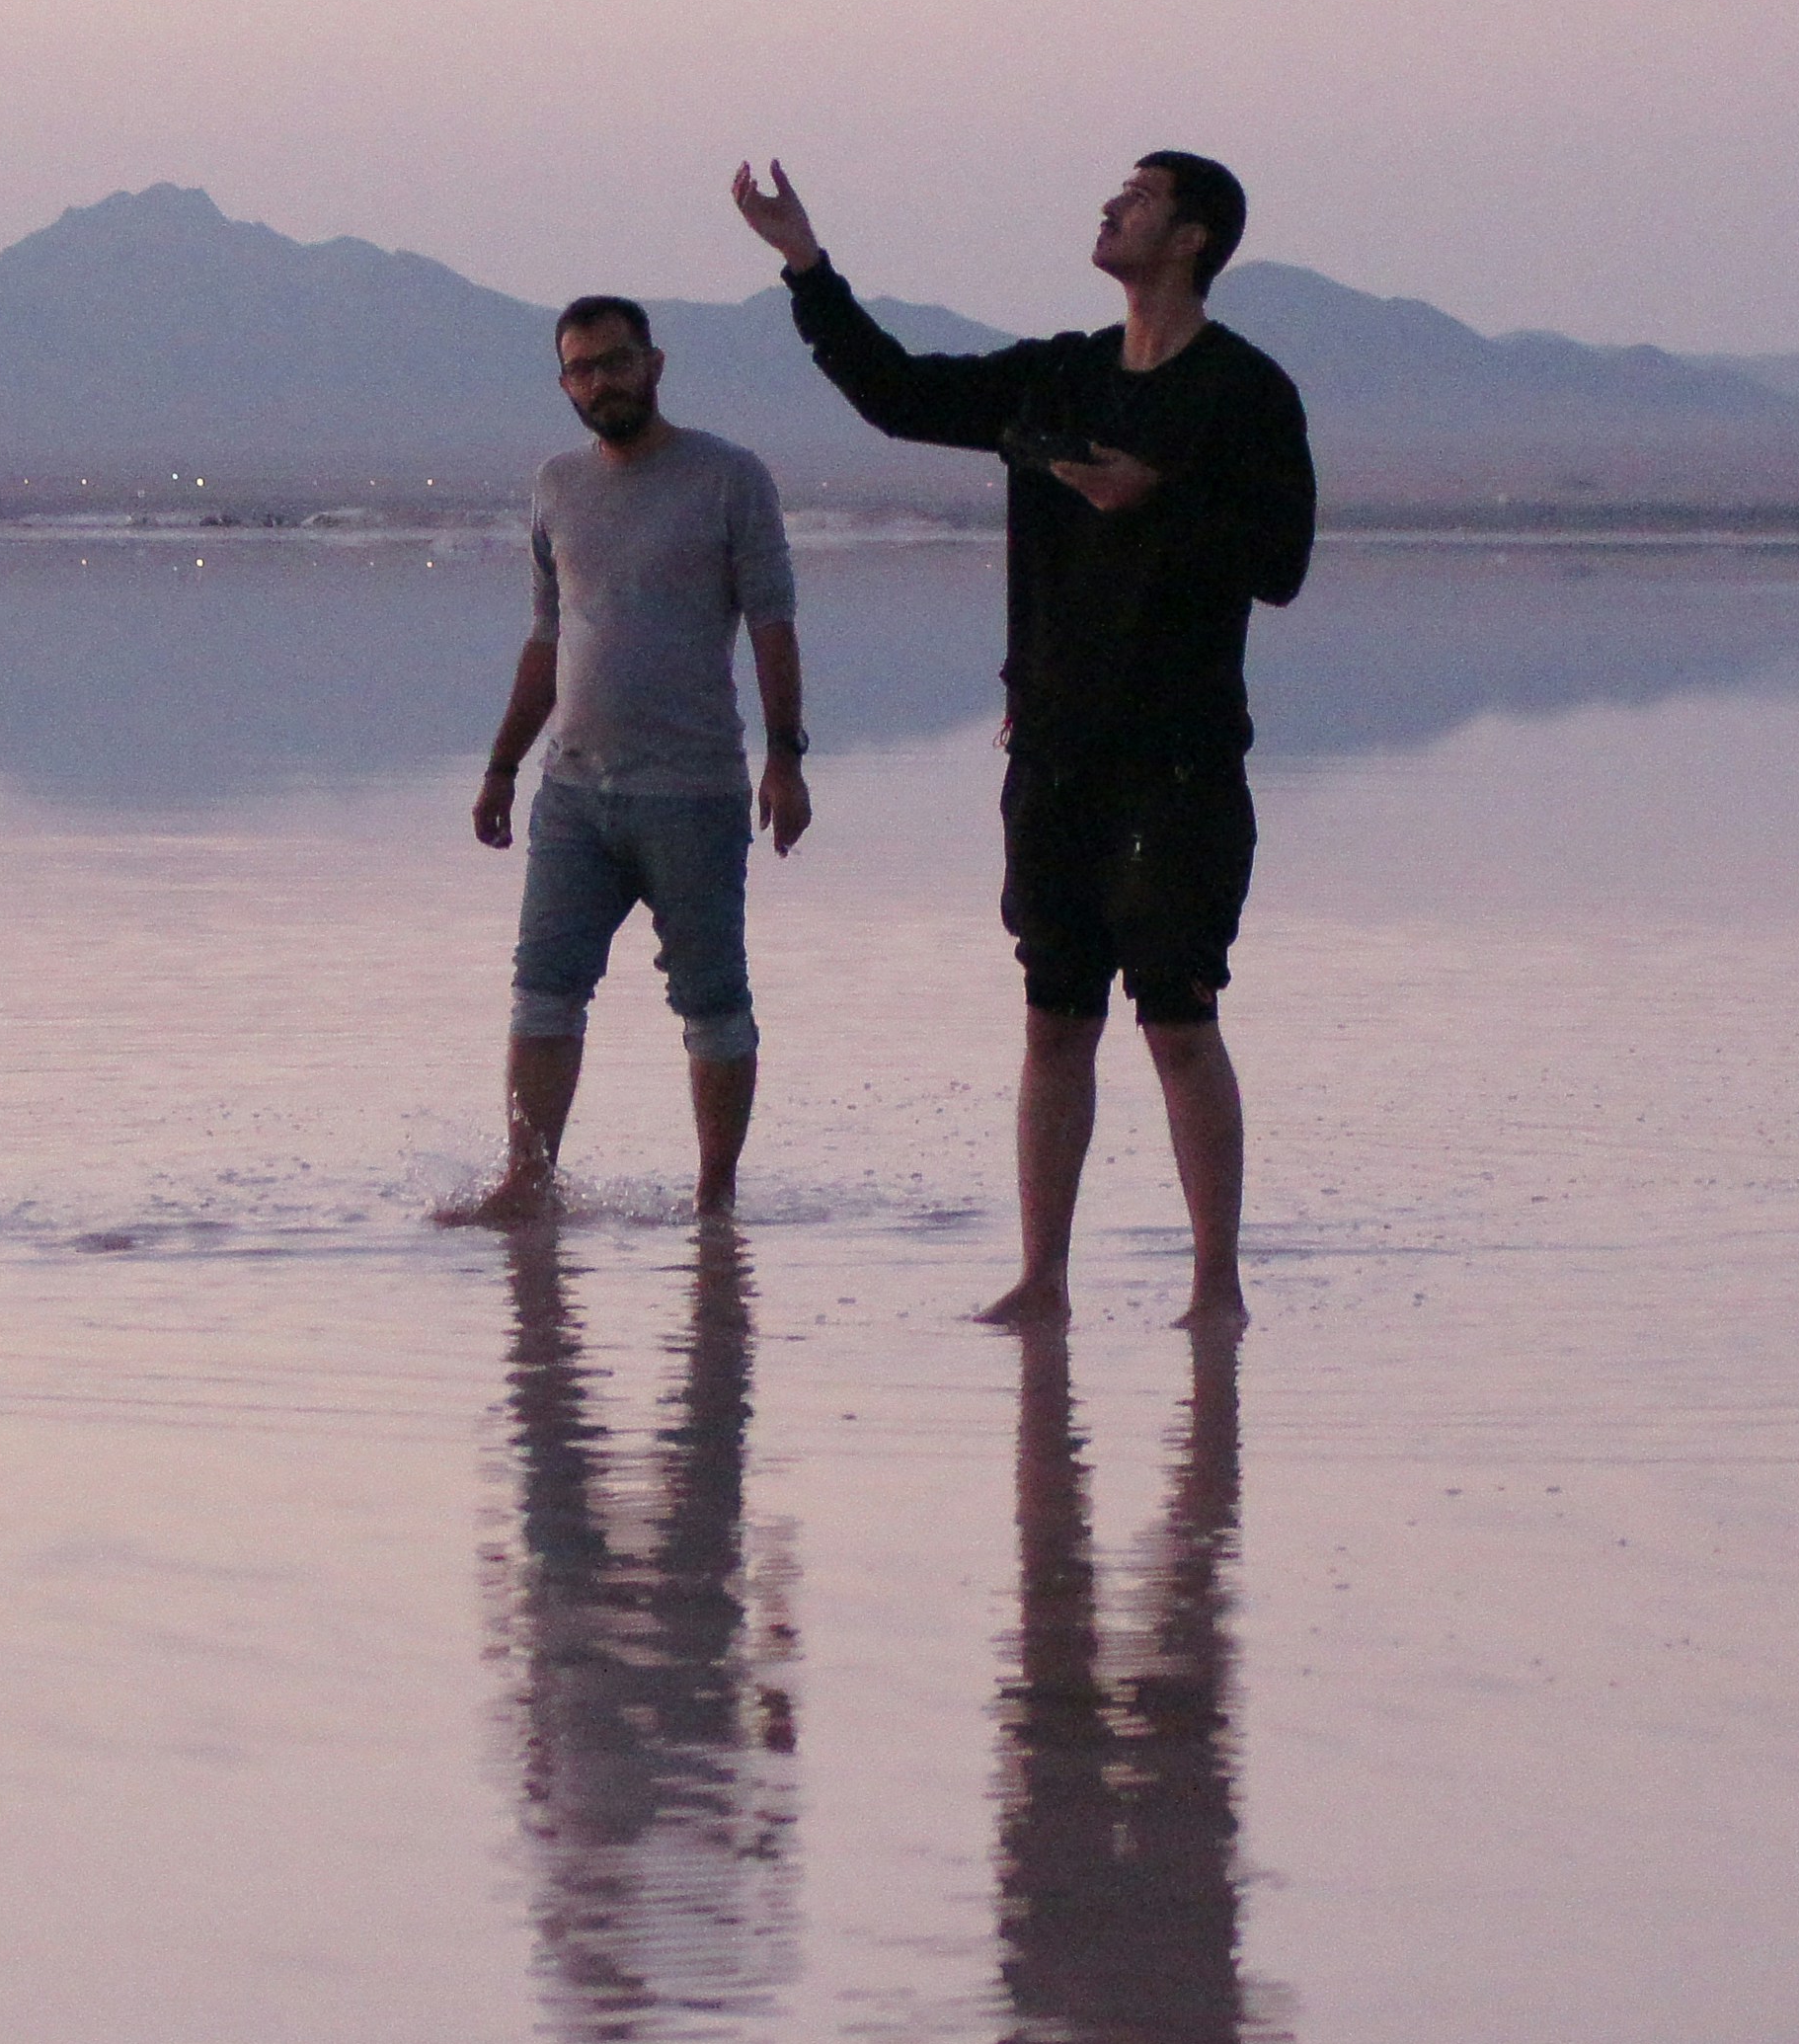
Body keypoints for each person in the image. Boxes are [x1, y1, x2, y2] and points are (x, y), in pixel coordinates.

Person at [731, 154, 1311, 1329]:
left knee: (1178, 1012)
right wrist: (806, 267)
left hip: (1180, 755)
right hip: (1051, 749)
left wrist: (1155, 499)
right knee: (1054, 1013)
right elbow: (896, 394)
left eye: (1139, 197)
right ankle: (1043, 1278)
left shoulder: (1243, 392)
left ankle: (1217, 1289)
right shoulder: (1059, 376)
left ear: (1193, 237)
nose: (1109, 205)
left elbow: (1282, 565)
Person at [448, 294, 809, 1222]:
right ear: (564, 384)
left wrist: (787, 757)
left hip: (693, 791)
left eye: (615, 361)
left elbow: (772, 622)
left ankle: (715, 1198)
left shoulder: (730, 478)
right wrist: (501, 765)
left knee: (713, 1000)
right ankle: (528, 1181)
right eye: (581, 368)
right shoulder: (556, 486)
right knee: (542, 991)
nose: (600, 381)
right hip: (574, 792)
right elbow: (547, 637)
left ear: (654, 363)